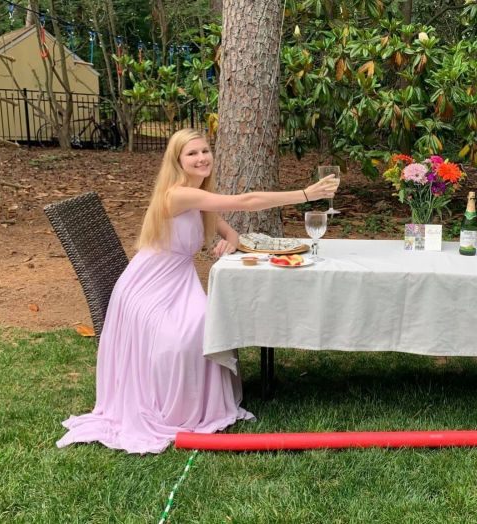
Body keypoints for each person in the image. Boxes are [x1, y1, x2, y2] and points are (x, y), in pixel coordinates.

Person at [57, 128, 340, 453]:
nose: (202, 157)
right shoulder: (178, 194)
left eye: (205, 151)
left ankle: (201, 404)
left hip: (179, 282)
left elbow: (228, 230)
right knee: (192, 331)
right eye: (192, 153)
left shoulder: (198, 194)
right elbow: (247, 202)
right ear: (177, 161)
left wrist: (229, 240)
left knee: (210, 320)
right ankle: (177, 409)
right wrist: (306, 193)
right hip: (147, 289)